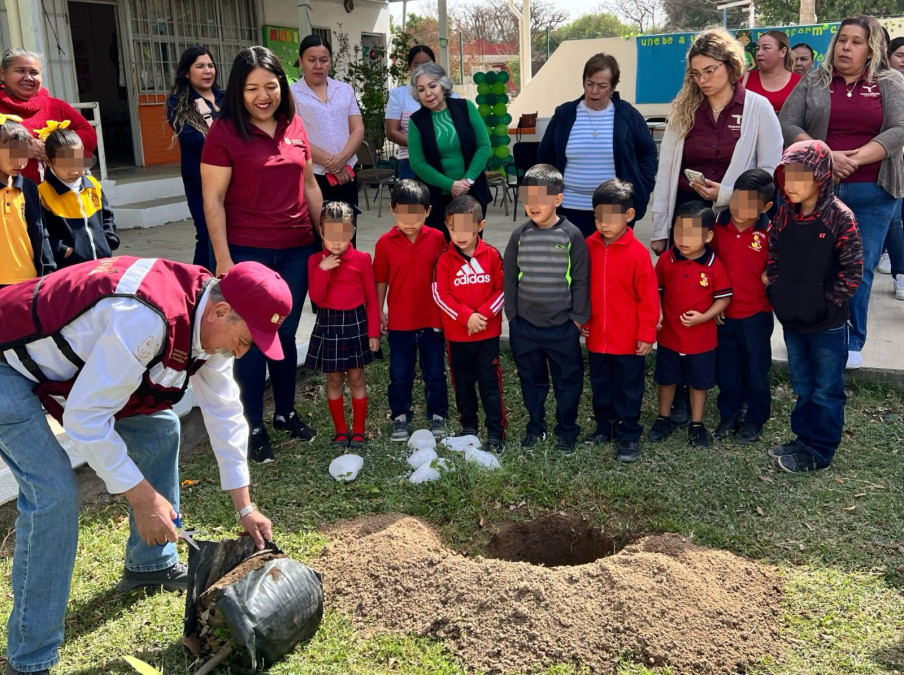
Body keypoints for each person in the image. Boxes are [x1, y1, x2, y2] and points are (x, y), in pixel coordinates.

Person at [0, 256, 280, 675]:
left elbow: (223, 412)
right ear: (222, 311)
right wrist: (143, 499)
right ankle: (30, 660)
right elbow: (84, 418)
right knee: (53, 494)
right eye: (246, 338)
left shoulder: (207, 316)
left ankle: (150, 565)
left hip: (51, 360)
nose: (243, 350)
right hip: (5, 362)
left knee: (160, 427)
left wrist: (245, 505)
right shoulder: (145, 321)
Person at [201, 46, 322, 463]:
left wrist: (324, 239)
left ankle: (285, 412)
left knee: (286, 334)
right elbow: (212, 199)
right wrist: (223, 257)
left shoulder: (294, 124)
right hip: (247, 254)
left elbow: (309, 186)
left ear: (282, 86)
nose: (262, 96)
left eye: (270, 86)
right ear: (238, 89)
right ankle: (252, 422)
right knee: (250, 339)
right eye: (252, 88)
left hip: (295, 249)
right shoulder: (224, 132)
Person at [779, 14, 904, 370]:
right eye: (842, 40)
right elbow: (788, 122)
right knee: (812, 264)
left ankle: (851, 339)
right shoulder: (814, 80)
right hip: (818, 189)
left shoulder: (889, 81)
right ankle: (809, 331)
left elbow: (899, 129)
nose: (846, 47)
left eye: (856, 42)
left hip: (873, 192)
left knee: (858, 268)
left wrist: (854, 159)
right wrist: (825, 155)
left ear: (871, 49)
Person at [766, 140, 863, 473]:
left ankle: (820, 451)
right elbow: (774, 257)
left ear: (821, 175)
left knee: (826, 390)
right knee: (803, 385)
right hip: (793, 320)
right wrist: (779, 293)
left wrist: (825, 304)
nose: (790, 185)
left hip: (827, 325)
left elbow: (853, 272)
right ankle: (803, 438)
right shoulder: (783, 214)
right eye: (786, 177)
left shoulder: (839, 217)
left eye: (799, 177)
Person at [650, 29, 782, 257]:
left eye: (710, 71)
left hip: (737, 219)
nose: (703, 80)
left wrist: (728, 195)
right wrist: (660, 229)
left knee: (734, 287)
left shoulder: (758, 108)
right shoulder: (683, 110)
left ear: (730, 66)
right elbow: (666, 172)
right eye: (696, 73)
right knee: (687, 288)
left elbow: (770, 171)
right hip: (687, 213)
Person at [503, 164, 589, 454]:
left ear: (558, 199)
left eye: (541, 198)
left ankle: (567, 430)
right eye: (528, 197)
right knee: (532, 381)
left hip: (562, 329)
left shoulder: (572, 235)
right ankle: (535, 426)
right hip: (525, 328)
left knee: (567, 383)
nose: (533, 205)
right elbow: (510, 278)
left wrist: (576, 321)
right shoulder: (519, 236)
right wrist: (513, 318)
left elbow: (580, 279)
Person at [537, 53, 658, 238]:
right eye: (589, 83)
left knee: (610, 265)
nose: (594, 91)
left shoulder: (627, 115)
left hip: (614, 211)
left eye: (602, 86)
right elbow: (545, 158)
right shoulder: (564, 114)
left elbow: (648, 153)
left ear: (613, 87)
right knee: (574, 264)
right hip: (569, 209)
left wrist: (642, 185)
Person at [582, 179, 658, 463]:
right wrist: (583, 319)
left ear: (629, 215)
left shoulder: (638, 254)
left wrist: (647, 333)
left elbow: (649, 298)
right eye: (599, 216)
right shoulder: (587, 246)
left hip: (628, 340)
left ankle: (628, 434)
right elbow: (581, 287)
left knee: (628, 389)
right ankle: (605, 427)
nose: (604, 224)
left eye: (612, 217)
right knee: (601, 386)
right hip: (597, 337)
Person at [648, 202, 732, 449]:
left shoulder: (714, 264)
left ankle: (697, 424)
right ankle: (663, 418)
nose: (683, 239)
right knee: (666, 379)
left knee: (699, 382)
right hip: (669, 337)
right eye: (678, 232)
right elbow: (656, 290)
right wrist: (659, 311)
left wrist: (705, 317)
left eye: (692, 234)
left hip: (702, 339)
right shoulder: (666, 259)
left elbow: (724, 297)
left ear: (708, 236)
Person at [375, 179, 448, 441]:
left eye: (416, 214)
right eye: (403, 213)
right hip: (400, 323)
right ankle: (400, 417)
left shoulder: (439, 238)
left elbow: (445, 276)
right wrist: (379, 310)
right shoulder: (384, 243)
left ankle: (438, 414)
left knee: (434, 372)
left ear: (428, 211)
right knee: (399, 374)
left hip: (432, 320)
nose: (409, 221)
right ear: (392, 210)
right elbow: (381, 279)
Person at [432, 195, 506, 451]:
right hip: (457, 337)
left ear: (480, 225)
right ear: (446, 226)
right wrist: (466, 317)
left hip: (486, 335)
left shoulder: (492, 255)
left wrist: (481, 316)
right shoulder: (443, 259)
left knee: (490, 384)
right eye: (453, 228)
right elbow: (441, 295)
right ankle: (469, 426)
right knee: (462, 384)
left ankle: (496, 432)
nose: (460, 234)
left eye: (466, 228)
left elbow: (502, 289)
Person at [305, 201, 380, 449]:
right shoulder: (315, 260)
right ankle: (340, 430)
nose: (337, 242)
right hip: (329, 323)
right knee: (334, 380)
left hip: (356, 322)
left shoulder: (362, 259)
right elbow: (316, 297)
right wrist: (323, 269)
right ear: (322, 232)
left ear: (353, 232)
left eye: (343, 235)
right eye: (331, 235)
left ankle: (359, 430)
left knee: (357, 378)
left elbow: (371, 299)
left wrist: (373, 333)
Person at [710, 169, 774, 443]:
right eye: (737, 199)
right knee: (727, 369)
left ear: (766, 207)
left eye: (750, 204)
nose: (740, 209)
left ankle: (755, 418)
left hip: (757, 314)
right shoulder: (715, 228)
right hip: (724, 315)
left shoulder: (771, 233)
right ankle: (729, 413)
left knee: (757, 369)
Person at [408, 62, 492, 238]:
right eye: (421, 89)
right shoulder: (416, 121)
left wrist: (466, 181)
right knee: (440, 253)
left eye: (432, 86)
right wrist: (451, 185)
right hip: (436, 200)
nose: (428, 93)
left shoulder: (466, 107)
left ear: (443, 85)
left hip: (471, 194)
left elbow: (484, 146)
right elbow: (417, 163)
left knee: (469, 248)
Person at [0, 49, 97, 184]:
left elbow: (89, 134)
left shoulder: (56, 106)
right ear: (2, 74)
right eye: (20, 71)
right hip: (10, 197)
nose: (28, 78)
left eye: (34, 73)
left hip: (59, 194)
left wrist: (57, 149)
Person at [291, 35, 363, 213]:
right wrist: (332, 164)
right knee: (320, 232)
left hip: (348, 172)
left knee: (347, 229)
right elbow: (295, 136)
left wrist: (342, 159)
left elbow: (358, 128)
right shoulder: (291, 94)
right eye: (311, 60)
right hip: (313, 176)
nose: (318, 66)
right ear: (301, 62)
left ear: (330, 61)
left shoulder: (344, 90)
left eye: (324, 60)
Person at [167, 46, 224, 271]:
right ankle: (199, 288)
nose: (207, 71)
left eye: (210, 65)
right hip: (200, 182)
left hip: (234, 179)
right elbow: (193, 139)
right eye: (200, 66)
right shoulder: (178, 102)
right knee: (208, 234)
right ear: (186, 73)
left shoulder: (227, 98)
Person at [39, 128, 119, 269]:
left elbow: (107, 216)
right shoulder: (41, 194)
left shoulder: (93, 185)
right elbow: (41, 234)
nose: (74, 170)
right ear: (48, 161)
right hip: (69, 270)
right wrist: (63, 250)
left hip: (103, 264)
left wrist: (109, 239)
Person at [0, 117, 53, 286]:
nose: (20, 162)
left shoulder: (29, 188)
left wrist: (49, 271)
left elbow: (41, 233)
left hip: (29, 281)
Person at [876, 35, 904, 302]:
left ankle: (901, 272)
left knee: (895, 220)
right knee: (894, 219)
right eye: (900, 56)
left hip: (895, 164)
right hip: (882, 163)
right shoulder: (879, 83)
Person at [385, 45, 438, 180]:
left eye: (427, 64)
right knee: (412, 200)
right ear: (410, 68)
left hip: (443, 160)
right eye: (416, 65)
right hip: (411, 162)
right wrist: (422, 145)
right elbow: (392, 132)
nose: (422, 69)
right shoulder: (399, 94)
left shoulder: (447, 94)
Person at [744, 30, 802, 114]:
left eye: (766, 48)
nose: (759, 53)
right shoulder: (744, 81)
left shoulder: (800, 83)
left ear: (783, 51)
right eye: (757, 49)